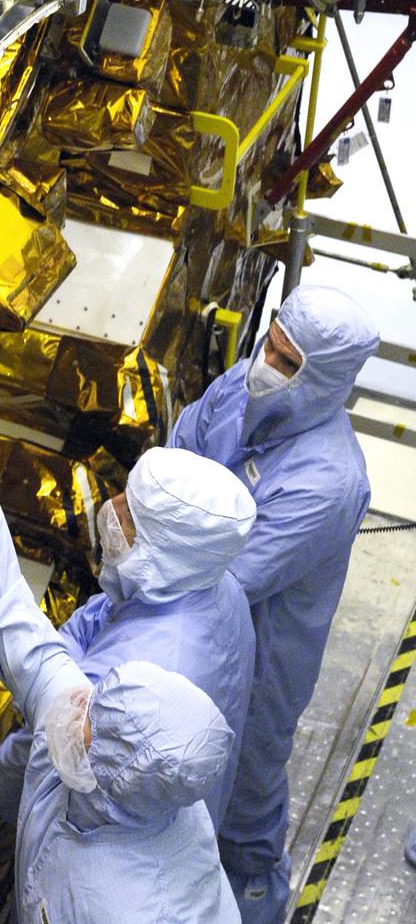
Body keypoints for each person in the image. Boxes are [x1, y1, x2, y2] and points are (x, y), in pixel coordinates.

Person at [0, 306, 243, 924]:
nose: (72, 711)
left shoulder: (123, 904)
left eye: (129, 514)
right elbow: (2, 598)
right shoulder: (100, 726)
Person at [170, 283, 380, 924]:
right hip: (192, 623)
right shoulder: (245, 383)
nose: (266, 364)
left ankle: (258, 904)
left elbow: (227, 574)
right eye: (271, 345)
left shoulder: (329, 481)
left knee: (244, 813)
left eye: (288, 363)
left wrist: (157, 533)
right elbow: (179, 447)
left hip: (259, 673)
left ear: (328, 381)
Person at [0, 432, 257, 838]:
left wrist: (2, 777)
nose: (110, 508)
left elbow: (39, 757)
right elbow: (98, 614)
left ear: (166, 549)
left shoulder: (135, 672)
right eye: (125, 494)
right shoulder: (211, 584)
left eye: (130, 515)